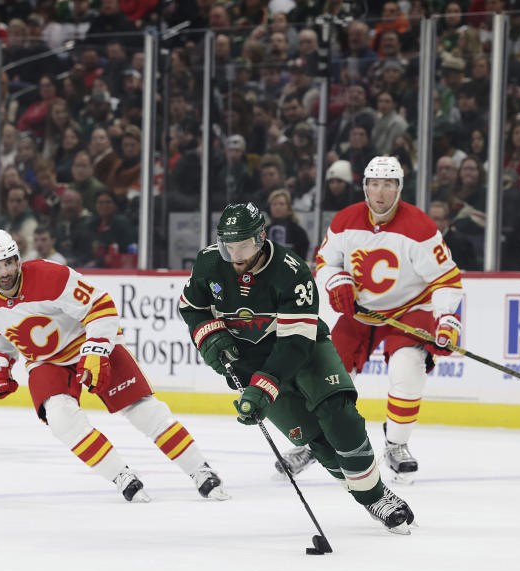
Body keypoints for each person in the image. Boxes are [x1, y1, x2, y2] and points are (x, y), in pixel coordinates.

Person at [178, 203, 415, 533]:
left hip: (306, 350)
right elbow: (191, 308)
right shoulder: (208, 263)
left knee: (339, 414)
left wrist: (264, 386)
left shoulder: (290, 271)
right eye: (228, 246)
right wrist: (210, 337)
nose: (235, 255)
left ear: (261, 238)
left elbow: (294, 345)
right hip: (251, 362)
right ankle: (371, 495)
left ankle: (375, 494)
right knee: (315, 440)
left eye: (243, 245)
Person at [0, 230, 229, 503]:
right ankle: (121, 476)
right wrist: (0, 366)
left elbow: (100, 305)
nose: (4, 271)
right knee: (60, 420)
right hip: (47, 363)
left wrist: (95, 351)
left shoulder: (51, 276)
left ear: (18, 259)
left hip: (88, 343)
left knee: (143, 410)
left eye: (8, 262)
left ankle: (199, 469)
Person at [278, 156, 464, 483]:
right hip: (361, 312)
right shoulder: (345, 221)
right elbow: (325, 263)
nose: (381, 192)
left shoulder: (420, 227)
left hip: (409, 309)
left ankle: (396, 445)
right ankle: (315, 441)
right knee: (326, 375)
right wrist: (338, 281)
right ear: (365, 186)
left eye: (388, 184)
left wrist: (447, 320)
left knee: (407, 368)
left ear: (399, 188)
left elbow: (445, 280)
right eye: (374, 184)